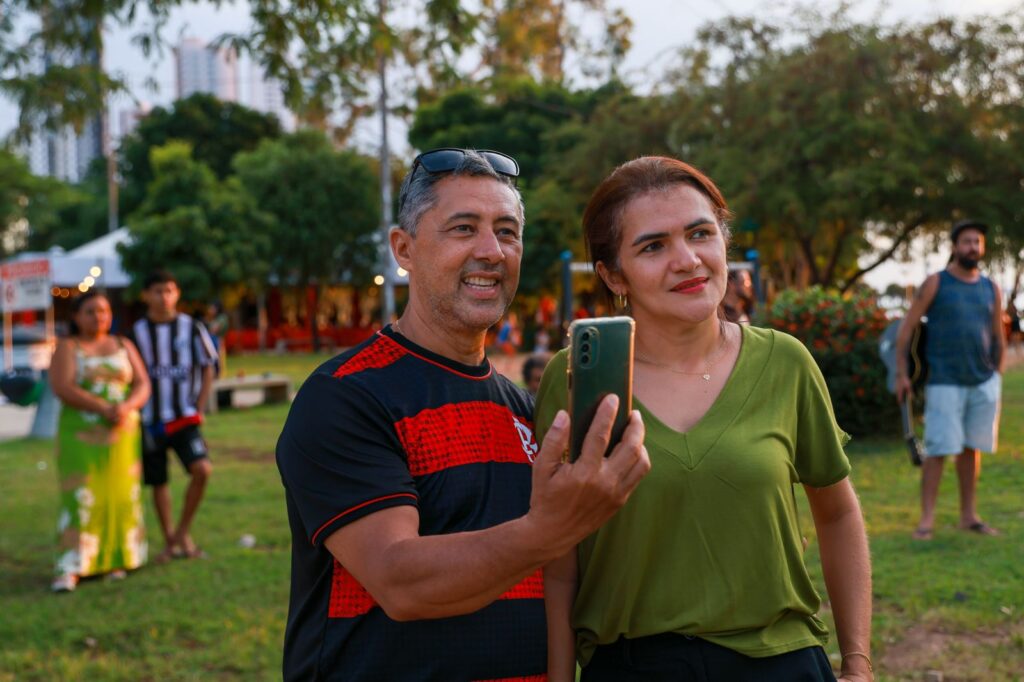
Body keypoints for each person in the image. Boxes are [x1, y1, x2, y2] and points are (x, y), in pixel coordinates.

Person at [275, 147, 650, 681]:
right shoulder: (346, 396)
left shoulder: (529, 410)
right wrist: (549, 530)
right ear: (404, 248)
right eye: (463, 228)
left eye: (507, 232)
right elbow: (400, 582)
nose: (491, 251)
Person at [536, 156, 873, 682]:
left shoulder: (786, 363)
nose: (688, 260)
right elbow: (559, 561)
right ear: (613, 274)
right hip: (632, 668)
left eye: (700, 234)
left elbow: (837, 514)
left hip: (780, 662)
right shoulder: (576, 379)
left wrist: (857, 662)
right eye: (653, 246)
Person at [895, 219, 1004, 540]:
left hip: (982, 382)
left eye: (977, 242)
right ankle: (926, 520)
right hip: (944, 381)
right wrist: (901, 374)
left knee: (972, 449)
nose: (973, 247)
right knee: (939, 450)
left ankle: (969, 516)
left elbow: (998, 335)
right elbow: (906, 330)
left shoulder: (991, 287)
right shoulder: (936, 283)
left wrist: (996, 374)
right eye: (967, 241)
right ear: (955, 247)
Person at [49, 291, 151, 592]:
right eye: (91, 311)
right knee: (82, 496)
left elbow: (143, 383)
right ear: (76, 317)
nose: (99, 317)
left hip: (122, 434)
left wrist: (127, 406)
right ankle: (72, 565)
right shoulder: (68, 346)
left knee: (119, 497)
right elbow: (62, 386)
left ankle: (119, 559)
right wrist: (102, 407)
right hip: (81, 434)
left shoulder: (123, 344)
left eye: (104, 311)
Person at [130, 270, 218, 563]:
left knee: (202, 470)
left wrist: (200, 407)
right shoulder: (136, 333)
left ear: (177, 294)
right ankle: (171, 540)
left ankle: (182, 534)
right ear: (146, 295)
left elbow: (208, 366)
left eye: (169, 290)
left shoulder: (191, 327)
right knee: (159, 481)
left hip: (184, 417)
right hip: (150, 421)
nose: (164, 297)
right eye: (157, 291)